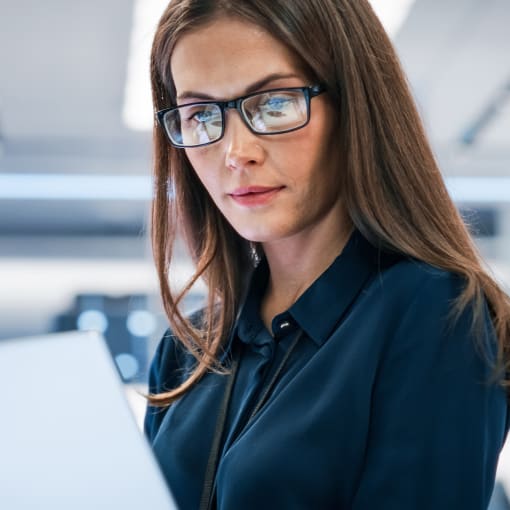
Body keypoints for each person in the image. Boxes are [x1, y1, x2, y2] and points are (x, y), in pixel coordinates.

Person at [144, 1, 510, 509]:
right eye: (201, 114)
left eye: (274, 104)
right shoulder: (188, 349)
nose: (235, 152)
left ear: (354, 108)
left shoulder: (434, 314)